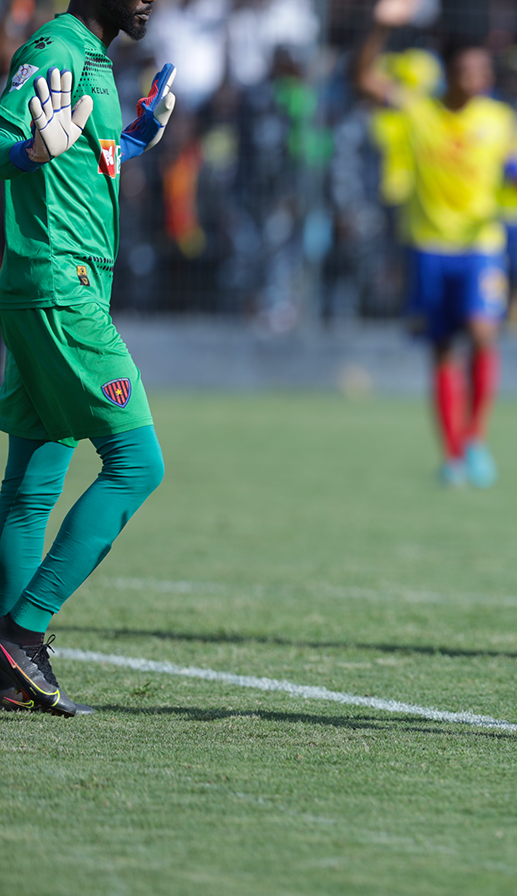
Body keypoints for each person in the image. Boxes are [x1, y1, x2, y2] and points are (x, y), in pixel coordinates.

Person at [0, 0, 174, 716]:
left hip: (57, 284)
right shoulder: (55, 47)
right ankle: (22, 632)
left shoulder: (89, 54)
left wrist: (135, 139)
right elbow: (22, 146)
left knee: (33, 486)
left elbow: (75, 153)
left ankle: (10, 674)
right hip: (59, 285)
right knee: (139, 465)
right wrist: (28, 153)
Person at [355, 0, 513, 488]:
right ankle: (451, 455)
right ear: (450, 73)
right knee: (443, 350)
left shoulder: (500, 119)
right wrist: (379, 28)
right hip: (428, 247)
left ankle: (475, 438)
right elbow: (363, 80)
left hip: (481, 245)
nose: (478, 77)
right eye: (468, 69)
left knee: (483, 333)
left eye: (483, 69)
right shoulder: (419, 111)